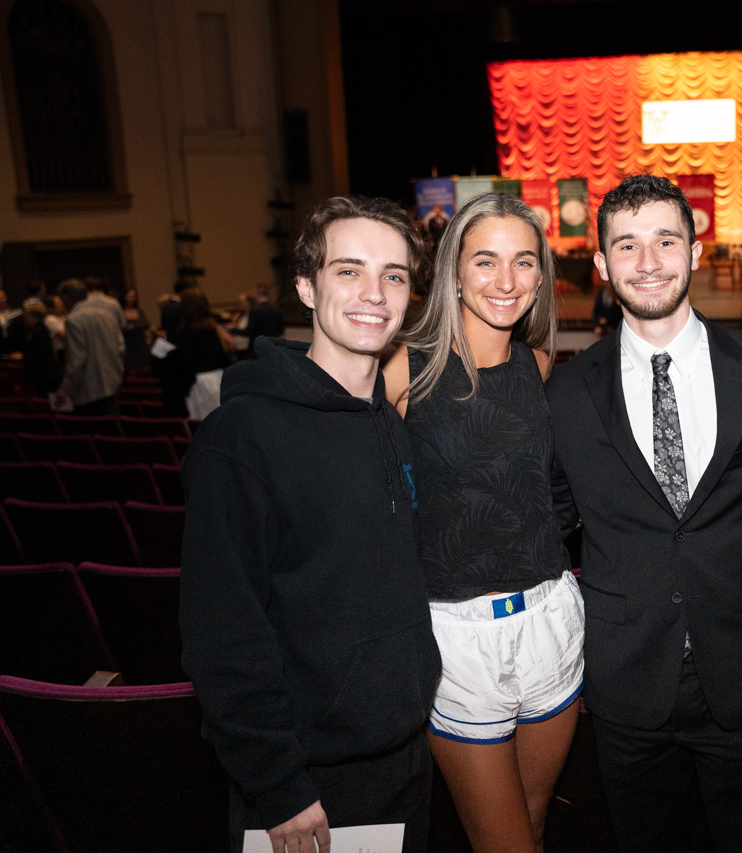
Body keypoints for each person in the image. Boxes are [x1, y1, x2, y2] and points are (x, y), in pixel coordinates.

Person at [180, 195, 441, 853]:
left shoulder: (390, 421)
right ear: (305, 285)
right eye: (348, 270)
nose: (374, 293)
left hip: (407, 757)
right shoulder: (242, 437)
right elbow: (223, 631)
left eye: (394, 275)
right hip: (308, 786)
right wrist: (280, 787)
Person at [546, 174, 742, 852]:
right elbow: (548, 522)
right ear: (600, 264)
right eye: (626, 246)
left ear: (695, 250)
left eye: (664, 240)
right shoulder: (567, 392)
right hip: (627, 680)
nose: (647, 261)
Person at [380, 192, 574, 853]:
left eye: (523, 262)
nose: (506, 281)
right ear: (453, 270)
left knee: (534, 822)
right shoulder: (402, 369)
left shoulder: (538, 363)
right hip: (454, 640)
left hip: (552, 622)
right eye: (485, 261)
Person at [54, 279, 124, 416]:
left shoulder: (74, 320)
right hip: (112, 385)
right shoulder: (107, 315)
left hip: (88, 390)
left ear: (66, 298)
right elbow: (121, 347)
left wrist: (65, 390)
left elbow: (77, 360)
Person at [161, 288, 230, 419]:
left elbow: (186, 363)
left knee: (204, 427)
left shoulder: (187, 331)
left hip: (201, 384)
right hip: (219, 379)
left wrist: (170, 357)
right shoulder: (212, 328)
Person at [1, 298, 60, 395]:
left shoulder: (40, 332)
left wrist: (23, 356)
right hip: (40, 373)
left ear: (35, 317)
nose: (24, 318)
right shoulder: (32, 330)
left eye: (27, 316)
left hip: (45, 374)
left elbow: (40, 353)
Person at [245, 285, 286, 351]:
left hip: (258, 348)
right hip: (273, 346)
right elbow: (281, 331)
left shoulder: (255, 310)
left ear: (256, 294)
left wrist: (233, 330)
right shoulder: (277, 310)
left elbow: (249, 331)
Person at [121, 288, 151, 372]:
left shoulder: (139, 311)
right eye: (129, 296)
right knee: (132, 366)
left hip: (140, 342)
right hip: (128, 344)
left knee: (143, 366)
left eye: (133, 297)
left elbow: (146, 324)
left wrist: (134, 326)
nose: (131, 299)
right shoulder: (121, 312)